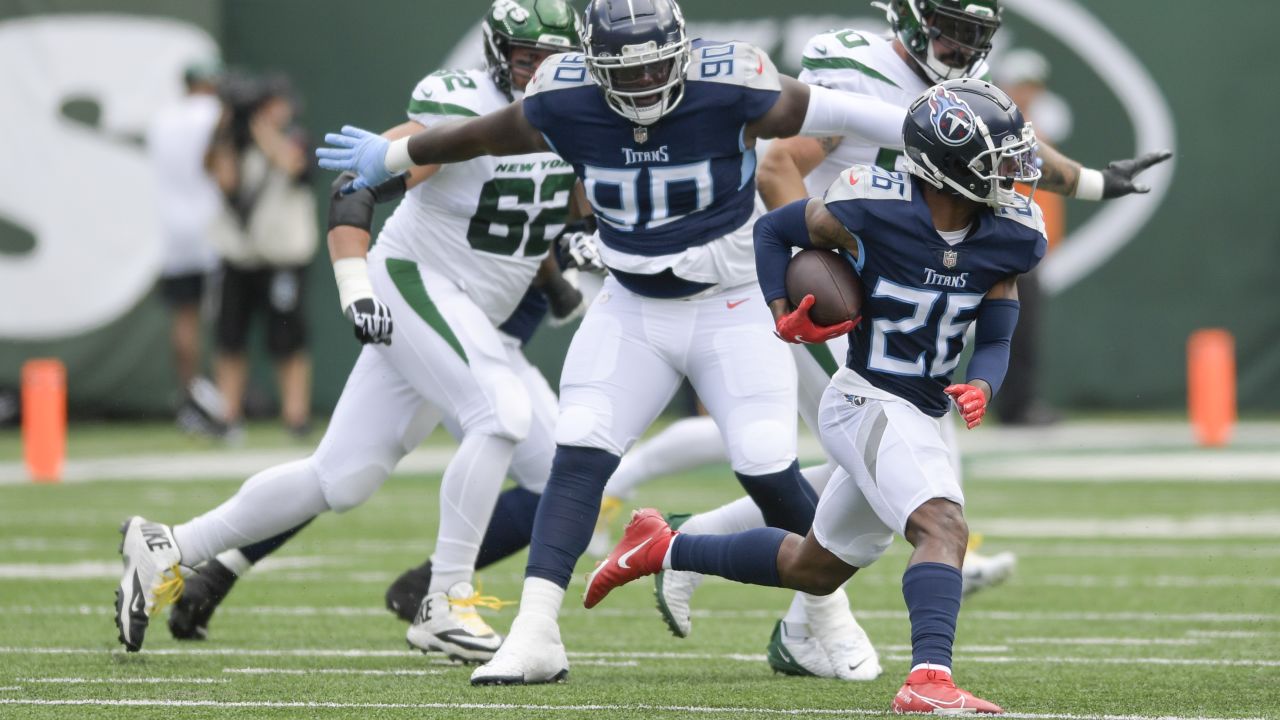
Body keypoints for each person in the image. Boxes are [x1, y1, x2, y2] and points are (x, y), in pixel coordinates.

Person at [315, 0, 910, 686]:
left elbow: (844, 111)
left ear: (683, 53)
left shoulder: (730, 83)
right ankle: (536, 633)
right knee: (580, 451)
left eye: (657, 65)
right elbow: (477, 134)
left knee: (765, 461)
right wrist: (389, 154)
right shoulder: (566, 98)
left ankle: (828, 620)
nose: (643, 83)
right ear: (592, 67)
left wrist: (925, 128)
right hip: (632, 306)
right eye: (623, 72)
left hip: (733, 299)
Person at [589, 0, 1172, 668]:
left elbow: (1008, 152)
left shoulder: (966, 115)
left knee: (844, 507)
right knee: (904, 471)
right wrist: (827, 273)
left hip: (903, 292)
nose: (960, 45)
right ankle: (887, 643)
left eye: (974, 34)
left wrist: (1097, 181)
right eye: (951, 29)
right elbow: (780, 170)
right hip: (845, 289)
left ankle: (688, 552)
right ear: (915, 18)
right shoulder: (859, 74)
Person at [112, 0, 584, 658]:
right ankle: (445, 601)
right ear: (500, 57)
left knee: (343, 479)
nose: (542, 75)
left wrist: (575, 262)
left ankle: (171, 546)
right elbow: (356, 185)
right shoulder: (461, 103)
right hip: (417, 282)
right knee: (499, 413)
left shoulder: (579, 112)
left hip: (468, 311)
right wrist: (354, 283)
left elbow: (560, 207)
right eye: (530, 60)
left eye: (558, 61)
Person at [585, 78, 1046, 715]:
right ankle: (928, 682)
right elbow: (773, 231)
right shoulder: (871, 207)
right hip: (865, 397)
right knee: (942, 524)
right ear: (947, 164)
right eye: (997, 158)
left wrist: (984, 382)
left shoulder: (1011, 233)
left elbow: (998, 327)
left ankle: (663, 545)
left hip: (921, 407)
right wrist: (783, 313)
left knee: (814, 567)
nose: (1013, 174)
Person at [206, 74, 317, 437]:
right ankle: (228, 414)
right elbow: (223, 180)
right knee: (230, 338)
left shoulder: (296, 139)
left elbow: (292, 165)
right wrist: (224, 132)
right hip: (240, 257)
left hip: (283, 257)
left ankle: (296, 415)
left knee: (288, 339)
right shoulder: (231, 145)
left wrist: (263, 132)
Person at [146, 59, 227, 437]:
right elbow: (219, 169)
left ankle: (191, 398)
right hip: (212, 225)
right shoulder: (214, 114)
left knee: (185, 319)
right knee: (224, 319)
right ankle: (222, 404)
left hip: (173, 229)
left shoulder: (162, 118)